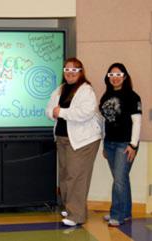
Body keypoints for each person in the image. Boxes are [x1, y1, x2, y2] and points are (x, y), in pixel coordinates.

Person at [46, 57, 102, 226]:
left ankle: (76, 215)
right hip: (63, 138)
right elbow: (49, 110)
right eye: (67, 70)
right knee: (64, 175)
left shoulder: (86, 90)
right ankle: (69, 207)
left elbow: (85, 112)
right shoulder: (60, 89)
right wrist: (53, 112)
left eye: (74, 70)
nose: (70, 73)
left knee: (76, 176)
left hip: (83, 140)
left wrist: (60, 112)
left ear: (80, 72)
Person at [99, 63, 142, 227]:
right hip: (110, 143)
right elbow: (104, 122)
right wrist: (104, 143)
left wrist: (133, 145)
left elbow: (137, 122)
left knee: (119, 180)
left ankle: (117, 214)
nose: (115, 77)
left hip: (125, 144)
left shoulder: (133, 96)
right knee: (122, 179)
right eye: (111, 74)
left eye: (118, 74)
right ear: (108, 77)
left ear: (124, 76)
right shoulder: (105, 96)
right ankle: (125, 212)